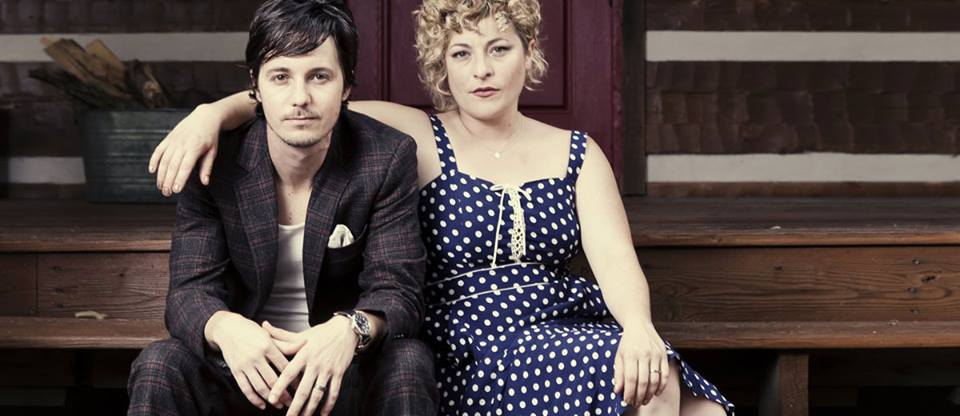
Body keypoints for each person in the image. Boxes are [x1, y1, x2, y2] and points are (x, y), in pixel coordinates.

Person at [149, 0, 734, 414]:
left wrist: (639, 329)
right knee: (650, 385)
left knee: (682, 395)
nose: (482, 70)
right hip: (467, 339)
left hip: (563, 324)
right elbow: (302, 100)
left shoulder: (577, 152)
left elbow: (615, 260)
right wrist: (209, 115)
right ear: (441, 65)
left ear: (528, 54)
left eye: (499, 48)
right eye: (462, 53)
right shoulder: (416, 134)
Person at [127, 1, 437, 415]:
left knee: (409, 360)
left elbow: (398, 290)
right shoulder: (216, 161)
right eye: (280, 77)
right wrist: (226, 328)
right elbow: (189, 292)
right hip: (244, 369)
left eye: (319, 76)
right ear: (255, 87)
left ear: (346, 86)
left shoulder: (385, 157)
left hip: (338, 370)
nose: (300, 98)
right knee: (160, 364)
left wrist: (349, 329)